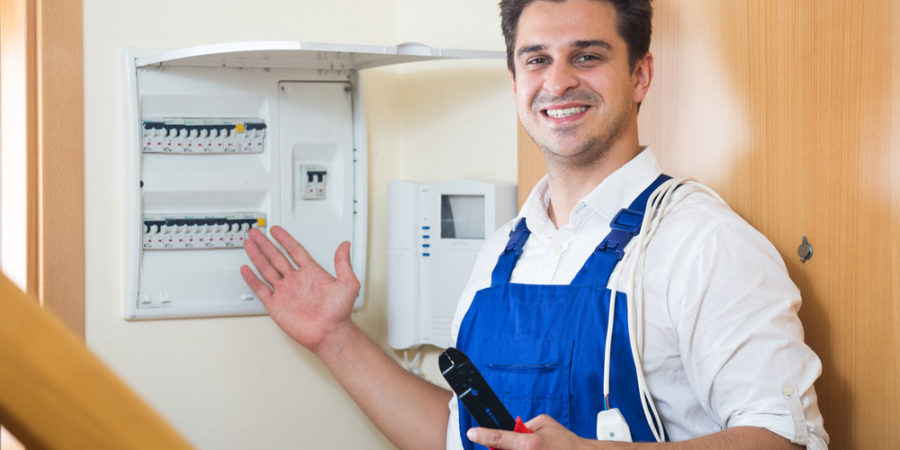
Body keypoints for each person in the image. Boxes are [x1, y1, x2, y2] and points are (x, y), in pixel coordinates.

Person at [240, 0, 829, 448]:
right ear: (516, 81)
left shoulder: (703, 243)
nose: (558, 81)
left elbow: (786, 439)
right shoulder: (503, 253)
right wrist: (335, 338)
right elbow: (459, 435)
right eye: (537, 59)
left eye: (588, 56)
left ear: (641, 76)